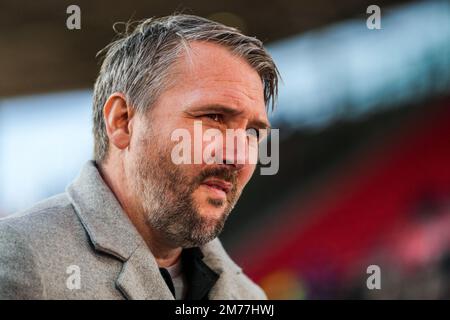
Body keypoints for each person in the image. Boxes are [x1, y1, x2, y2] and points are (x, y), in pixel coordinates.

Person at [0, 14, 279, 299]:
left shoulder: (248, 297)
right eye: (214, 117)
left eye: (253, 133)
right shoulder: (20, 257)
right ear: (123, 121)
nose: (239, 157)